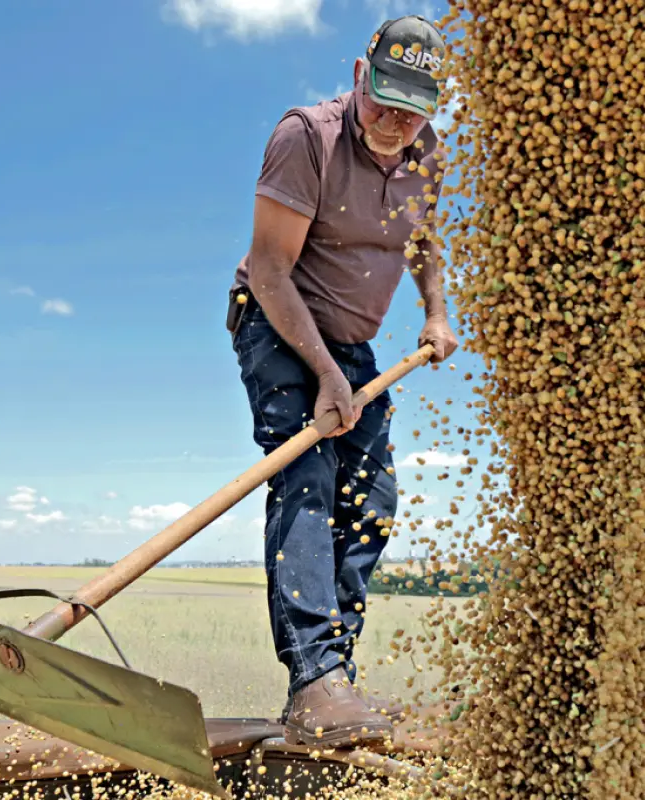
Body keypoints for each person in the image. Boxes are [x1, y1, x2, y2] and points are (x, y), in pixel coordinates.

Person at [225, 15, 459, 749]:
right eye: (383, 101)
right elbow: (268, 270)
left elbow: (422, 237)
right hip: (276, 318)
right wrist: (325, 374)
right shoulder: (307, 138)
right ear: (362, 74)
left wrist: (435, 310)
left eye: (411, 110)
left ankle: (337, 680)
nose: (393, 124)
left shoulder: (427, 152)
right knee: (309, 475)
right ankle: (314, 679)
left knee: (375, 499)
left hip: (352, 345)